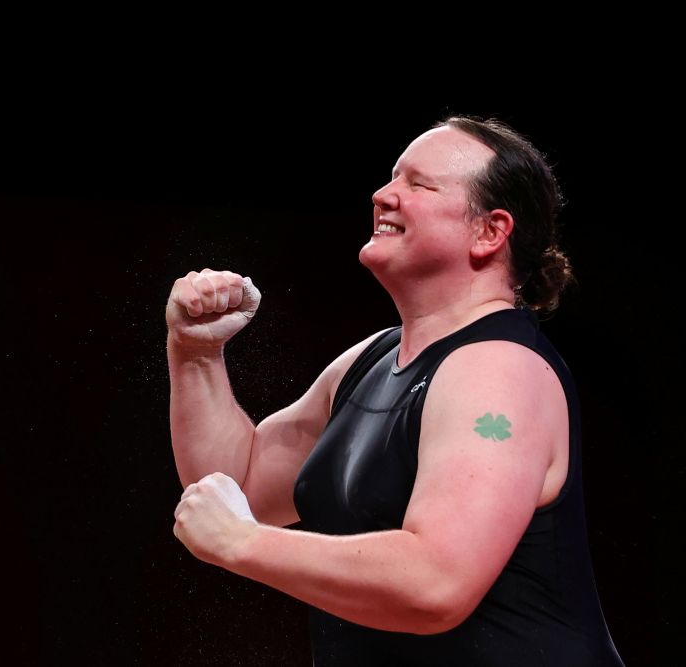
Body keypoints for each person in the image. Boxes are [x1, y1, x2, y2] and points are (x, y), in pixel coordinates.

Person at [166, 116, 624, 665]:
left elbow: (436, 583)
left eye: (419, 185)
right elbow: (233, 490)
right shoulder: (372, 360)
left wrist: (244, 542)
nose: (383, 196)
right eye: (392, 178)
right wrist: (195, 354)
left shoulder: (498, 371)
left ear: (489, 232)